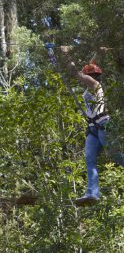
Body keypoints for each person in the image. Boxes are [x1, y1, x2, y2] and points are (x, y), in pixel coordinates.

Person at [61, 46, 124, 206]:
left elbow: (77, 73)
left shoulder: (96, 85)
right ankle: (92, 193)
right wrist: (100, 53)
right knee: (89, 159)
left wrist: (67, 55)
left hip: (103, 125)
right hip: (92, 129)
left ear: (92, 76)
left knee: (116, 157)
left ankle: (93, 192)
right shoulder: (90, 86)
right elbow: (90, 64)